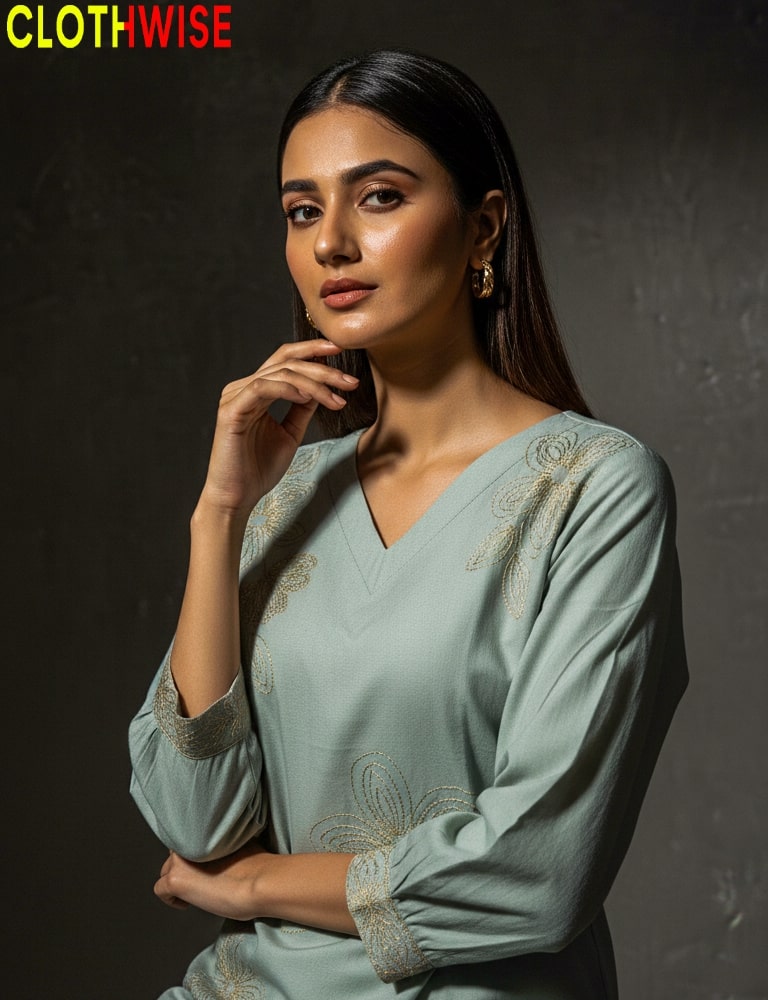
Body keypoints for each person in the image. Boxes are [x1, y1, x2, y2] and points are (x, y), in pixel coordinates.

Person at [129, 49, 688, 999]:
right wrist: (220, 514)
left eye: (378, 198)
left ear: (483, 228)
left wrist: (258, 883)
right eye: (302, 211)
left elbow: (538, 874)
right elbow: (194, 820)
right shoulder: (283, 492)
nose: (330, 245)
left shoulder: (596, 488)